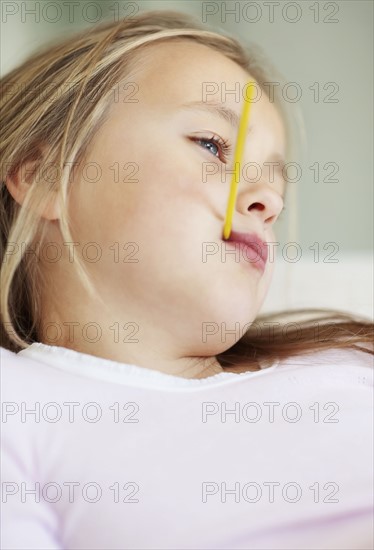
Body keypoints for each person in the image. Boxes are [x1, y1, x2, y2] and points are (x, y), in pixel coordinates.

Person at [1, 10, 372, 550]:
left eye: (274, 184)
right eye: (213, 145)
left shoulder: (349, 359)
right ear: (43, 176)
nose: (269, 202)